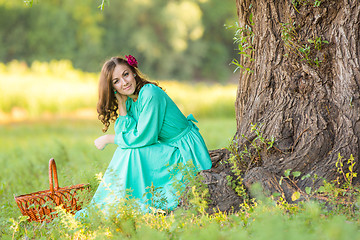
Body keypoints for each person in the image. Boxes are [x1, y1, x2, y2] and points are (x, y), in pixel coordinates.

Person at [76, 55, 212, 218]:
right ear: (113, 88)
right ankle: (111, 204)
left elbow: (144, 138)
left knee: (131, 152)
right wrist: (121, 104)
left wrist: (109, 139)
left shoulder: (150, 93)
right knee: (127, 150)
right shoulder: (131, 100)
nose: (124, 83)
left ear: (134, 73)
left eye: (125, 74)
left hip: (186, 152)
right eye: (116, 81)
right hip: (170, 148)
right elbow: (126, 135)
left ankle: (123, 203)